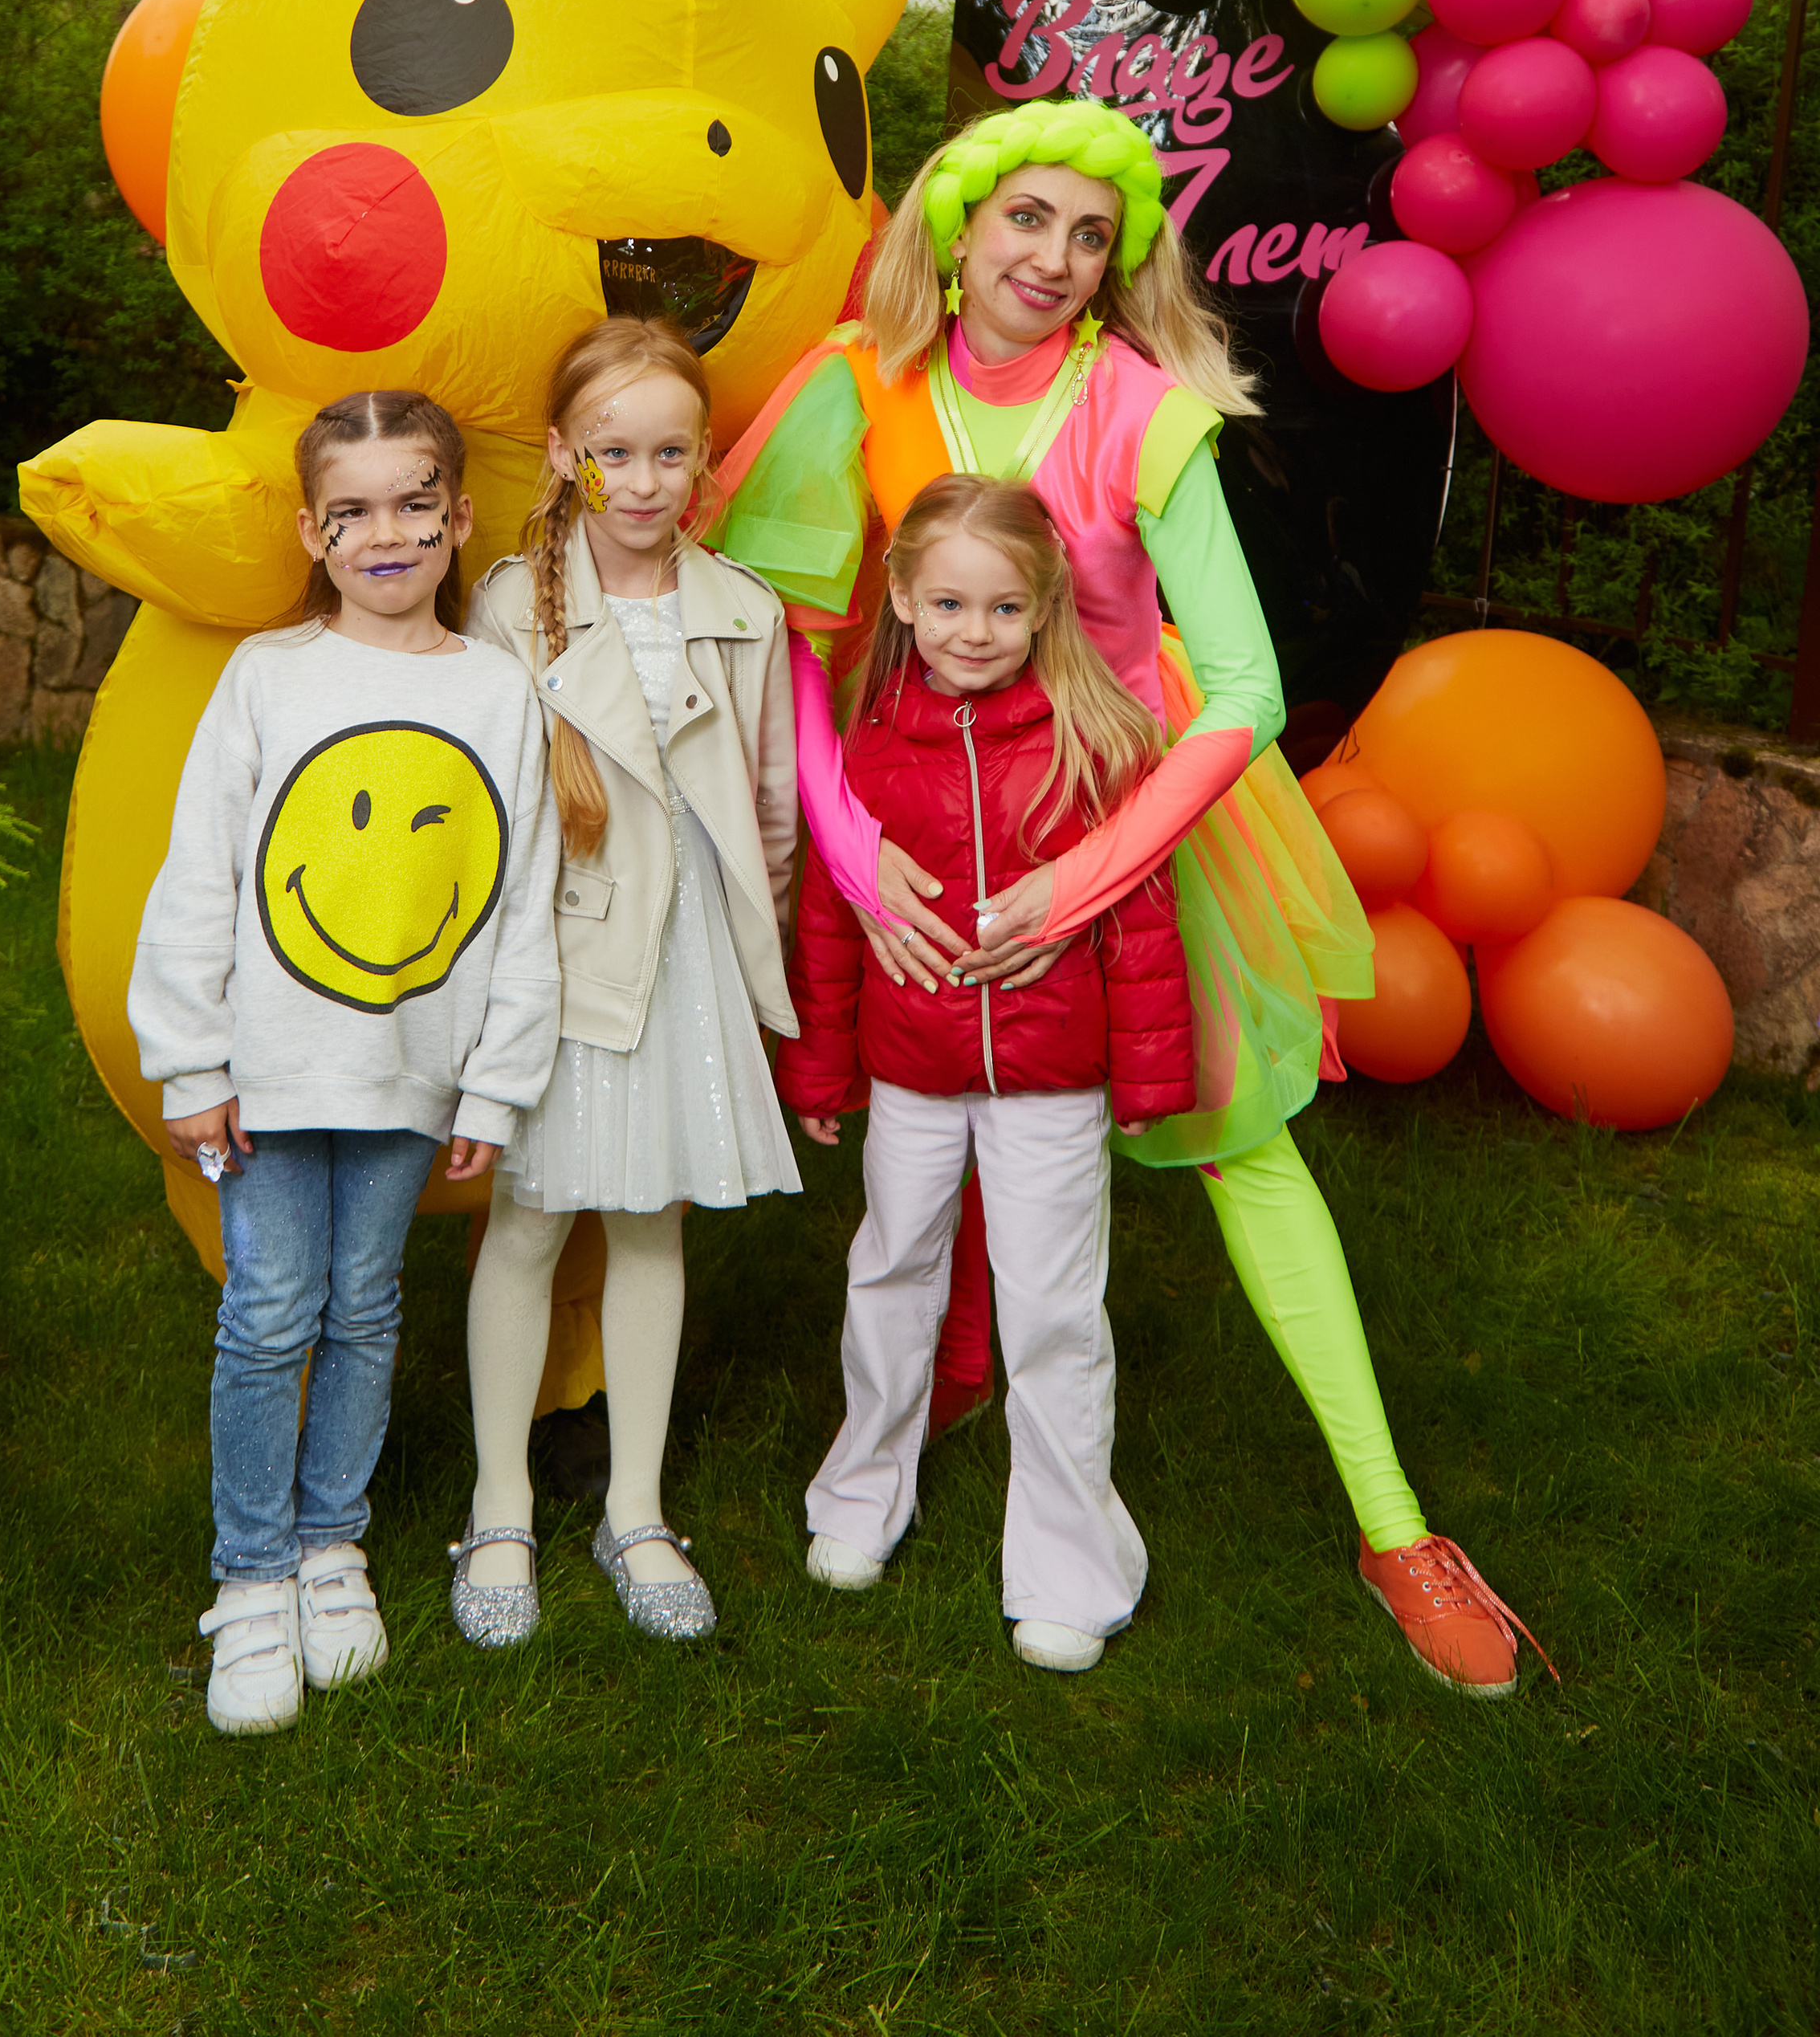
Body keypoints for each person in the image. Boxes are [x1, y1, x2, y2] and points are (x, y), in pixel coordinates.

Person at [719, 99, 1554, 1699]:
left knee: (1237, 1145)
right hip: (915, 838)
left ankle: (1395, 1530)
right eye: (1025, 219)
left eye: (1090, 234)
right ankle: (931, 1397)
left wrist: (1085, 880)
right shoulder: (855, 388)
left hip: (1128, 831)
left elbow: (1237, 689)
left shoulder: (1138, 411)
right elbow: (789, 650)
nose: (1054, 256)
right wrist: (850, 854)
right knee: (924, 1148)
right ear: (956, 231)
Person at [128, 390, 561, 1738]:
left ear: (458, 516)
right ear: (315, 531)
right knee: (267, 1315)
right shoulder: (268, 675)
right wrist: (188, 1059)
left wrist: (492, 1083)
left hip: (408, 1073)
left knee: (366, 1309)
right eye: (356, 511)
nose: (390, 533)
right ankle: (249, 1575)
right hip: (266, 1072)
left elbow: (521, 900)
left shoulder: (499, 695)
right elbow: (201, 875)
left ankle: (333, 1545)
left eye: (415, 504)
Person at [782, 474, 1195, 1673]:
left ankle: (1070, 1562)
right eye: (950, 603)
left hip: (1054, 1085)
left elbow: (1142, 922)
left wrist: (1149, 1077)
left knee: (1056, 1310)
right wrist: (819, 1067)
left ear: (1044, 609)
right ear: (902, 598)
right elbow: (830, 916)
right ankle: (866, 1492)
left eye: (1004, 609)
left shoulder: (1097, 745)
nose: (975, 632)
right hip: (909, 1075)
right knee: (892, 1270)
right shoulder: (861, 756)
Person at [457, 318, 801, 1646]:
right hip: (562, 962)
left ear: (705, 462)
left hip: (688, 960)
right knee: (531, 1222)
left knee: (655, 1220)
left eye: (671, 453)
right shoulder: (506, 606)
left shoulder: (743, 613)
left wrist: (764, 959)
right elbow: (486, 823)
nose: (645, 481)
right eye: (615, 453)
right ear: (562, 456)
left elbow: (764, 809)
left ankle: (636, 1510)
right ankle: (499, 1509)